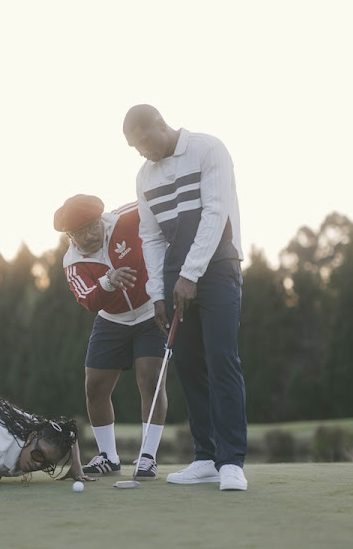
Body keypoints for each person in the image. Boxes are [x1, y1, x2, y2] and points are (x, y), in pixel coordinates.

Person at [123, 104, 249, 491]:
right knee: (190, 366)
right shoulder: (145, 176)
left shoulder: (208, 150)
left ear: (160, 125)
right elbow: (151, 237)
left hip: (217, 268)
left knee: (222, 360)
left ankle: (231, 462)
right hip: (177, 281)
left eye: (143, 142)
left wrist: (190, 274)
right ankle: (206, 457)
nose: (142, 153)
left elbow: (214, 212)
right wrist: (158, 293)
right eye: (135, 148)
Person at [53, 194, 168, 479]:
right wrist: (108, 280)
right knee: (94, 387)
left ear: (100, 219)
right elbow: (89, 300)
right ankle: (109, 457)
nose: (89, 236)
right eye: (79, 233)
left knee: (150, 380)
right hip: (112, 321)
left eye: (92, 227)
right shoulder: (73, 262)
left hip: (149, 311)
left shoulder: (125, 217)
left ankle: (148, 457)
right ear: (69, 235)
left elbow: (157, 201)